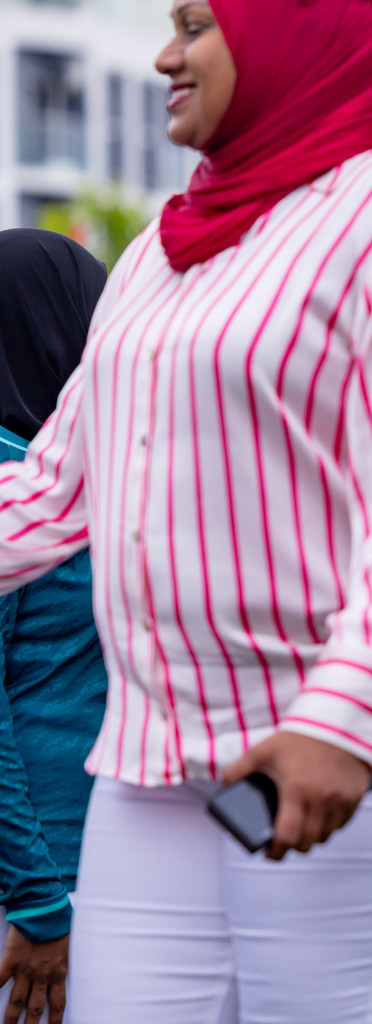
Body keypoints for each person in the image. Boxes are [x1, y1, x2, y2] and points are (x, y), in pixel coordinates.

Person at [0, 3, 372, 1020]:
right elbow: (54, 488)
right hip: (156, 746)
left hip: (347, 725)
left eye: (196, 24)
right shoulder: (156, 253)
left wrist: (345, 714)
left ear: (293, 29)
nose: (164, 55)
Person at [0, 229, 110, 1024]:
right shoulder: (11, 477)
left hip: (88, 865)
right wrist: (35, 900)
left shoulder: (56, 472)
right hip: (40, 884)